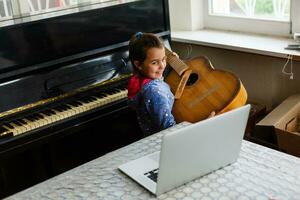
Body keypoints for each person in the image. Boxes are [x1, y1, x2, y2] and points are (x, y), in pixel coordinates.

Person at [127, 32, 176, 136]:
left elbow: (159, 75)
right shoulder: (154, 91)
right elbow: (169, 128)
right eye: (155, 62)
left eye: (164, 59)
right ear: (138, 64)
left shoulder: (139, 79)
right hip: (163, 141)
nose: (162, 66)